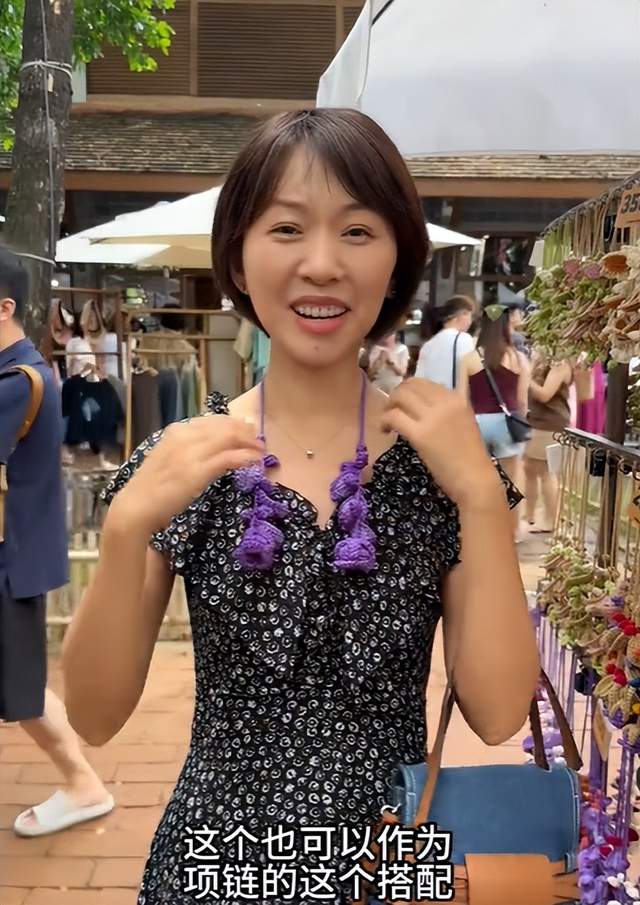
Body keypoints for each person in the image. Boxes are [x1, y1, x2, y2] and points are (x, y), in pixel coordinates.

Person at [62, 109, 539, 905]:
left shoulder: (443, 466)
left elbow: (497, 713)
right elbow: (94, 715)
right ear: (238, 260)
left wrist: (483, 501)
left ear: (396, 261)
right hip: (216, 865)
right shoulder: (187, 459)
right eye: (286, 228)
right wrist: (124, 529)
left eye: (357, 231)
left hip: (388, 867)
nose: (321, 264)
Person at [0, 247, 113, 836]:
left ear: (4, 308)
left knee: (21, 684)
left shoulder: (16, 382)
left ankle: (83, 783)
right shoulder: (25, 372)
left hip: (9, 559)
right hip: (16, 551)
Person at [457, 302, 531, 537]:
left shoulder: (469, 358)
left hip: (477, 423)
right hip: (506, 425)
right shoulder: (518, 358)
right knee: (511, 480)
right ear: (506, 326)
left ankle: (478, 530)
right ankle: (511, 530)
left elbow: (461, 400)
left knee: (477, 480)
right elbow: (522, 400)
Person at [524, 354, 573, 533]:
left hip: (550, 423)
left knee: (546, 471)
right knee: (529, 469)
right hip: (535, 420)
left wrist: (525, 378)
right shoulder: (542, 359)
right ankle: (529, 514)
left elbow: (545, 394)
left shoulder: (560, 363)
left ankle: (551, 520)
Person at [414, 294, 476, 388]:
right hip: (454, 395)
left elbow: (419, 380)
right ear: (462, 315)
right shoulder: (464, 339)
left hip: (431, 396)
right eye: (470, 316)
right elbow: (474, 374)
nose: (470, 322)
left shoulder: (427, 346)